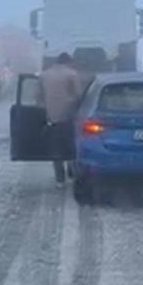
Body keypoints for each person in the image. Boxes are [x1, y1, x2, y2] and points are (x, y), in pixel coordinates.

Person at [40, 52, 81, 185]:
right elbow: (78, 95)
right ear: (68, 62)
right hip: (69, 116)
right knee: (71, 147)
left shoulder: (44, 75)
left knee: (56, 150)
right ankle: (72, 172)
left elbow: (39, 96)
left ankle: (59, 179)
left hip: (51, 117)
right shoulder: (72, 74)